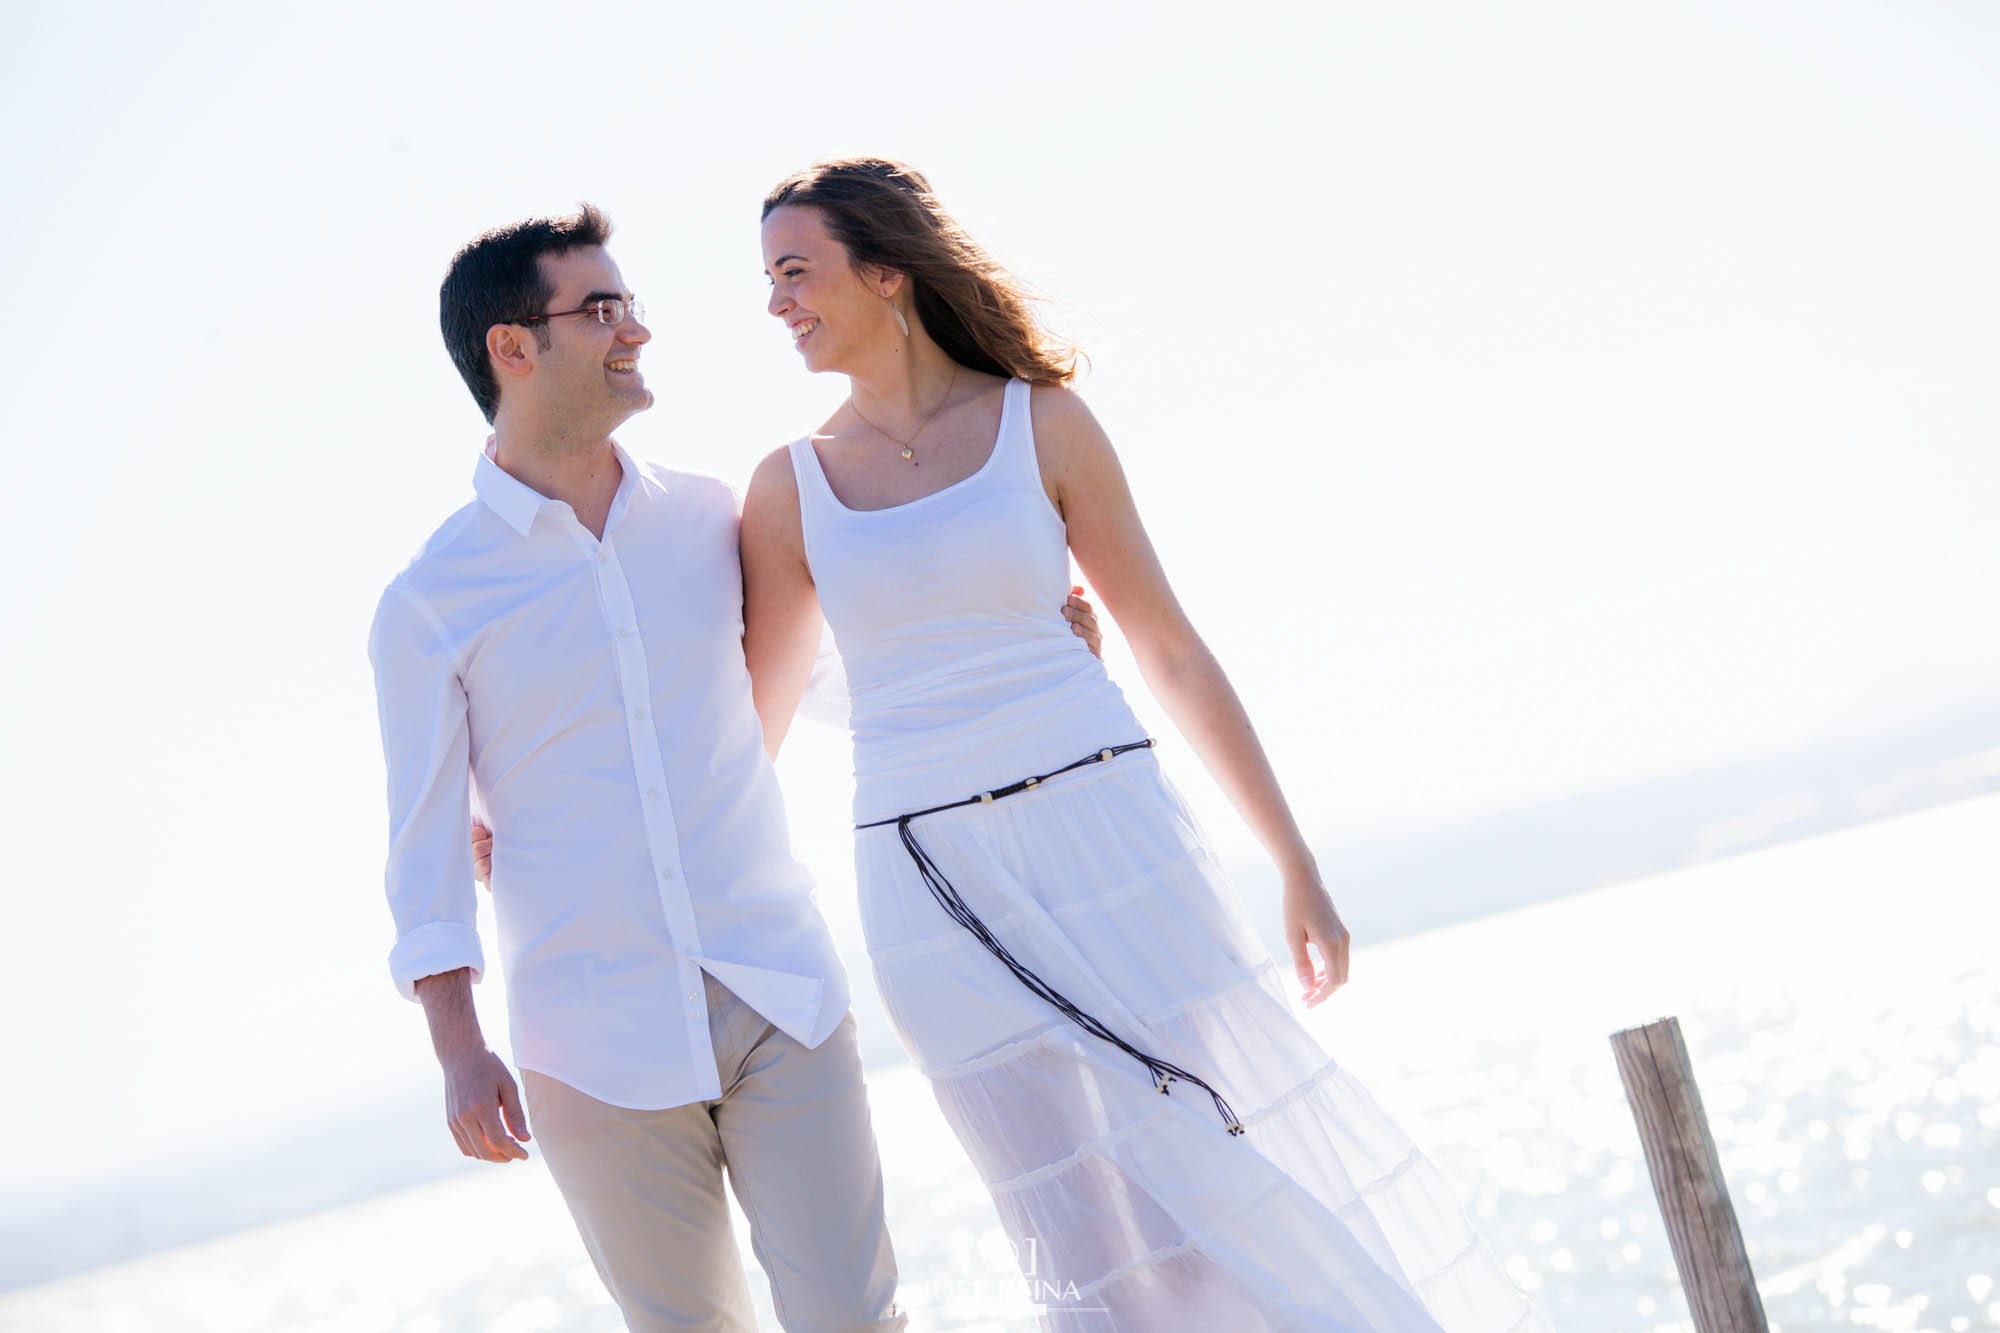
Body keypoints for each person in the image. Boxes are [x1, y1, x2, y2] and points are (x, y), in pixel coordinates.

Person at [736, 159, 1553, 1330]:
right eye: (769, 280)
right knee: (1079, 1231)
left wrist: (1294, 861)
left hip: (1112, 833)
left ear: (887, 271)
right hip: (926, 877)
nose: (776, 304)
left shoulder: (1043, 423)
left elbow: (1169, 649)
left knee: (1202, 1186)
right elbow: (741, 733)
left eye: (794, 272)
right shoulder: (787, 487)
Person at [368, 205, 917, 1333]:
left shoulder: (709, 516)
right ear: (510, 348)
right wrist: (461, 1054)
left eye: (631, 305)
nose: (636, 332)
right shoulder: (430, 603)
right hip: (592, 1050)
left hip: (779, 995)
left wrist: (997, 653)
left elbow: (821, 682)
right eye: (601, 308)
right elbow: (424, 845)